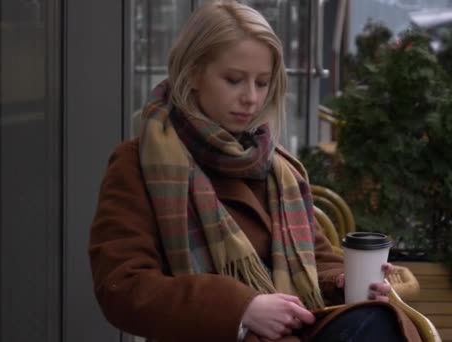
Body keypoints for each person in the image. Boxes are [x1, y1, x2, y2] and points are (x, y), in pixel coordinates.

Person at [88, 1, 421, 341]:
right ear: (192, 74)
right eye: (234, 80)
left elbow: (317, 259)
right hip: (216, 334)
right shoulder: (138, 163)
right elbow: (123, 286)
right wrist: (242, 310)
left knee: (380, 322)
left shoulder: (277, 167)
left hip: (300, 327)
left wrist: (343, 280)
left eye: (262, 83)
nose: (251, 98)